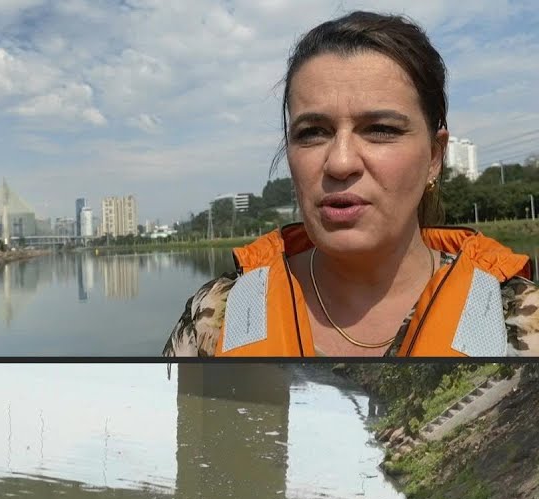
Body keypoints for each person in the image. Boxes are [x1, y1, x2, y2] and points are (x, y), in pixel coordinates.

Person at [164, 10, 539, 357]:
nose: (341, 162)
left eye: (380, 129)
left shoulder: (518, 323)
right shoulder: (218, 319)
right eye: (312, 132)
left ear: (434, 158)